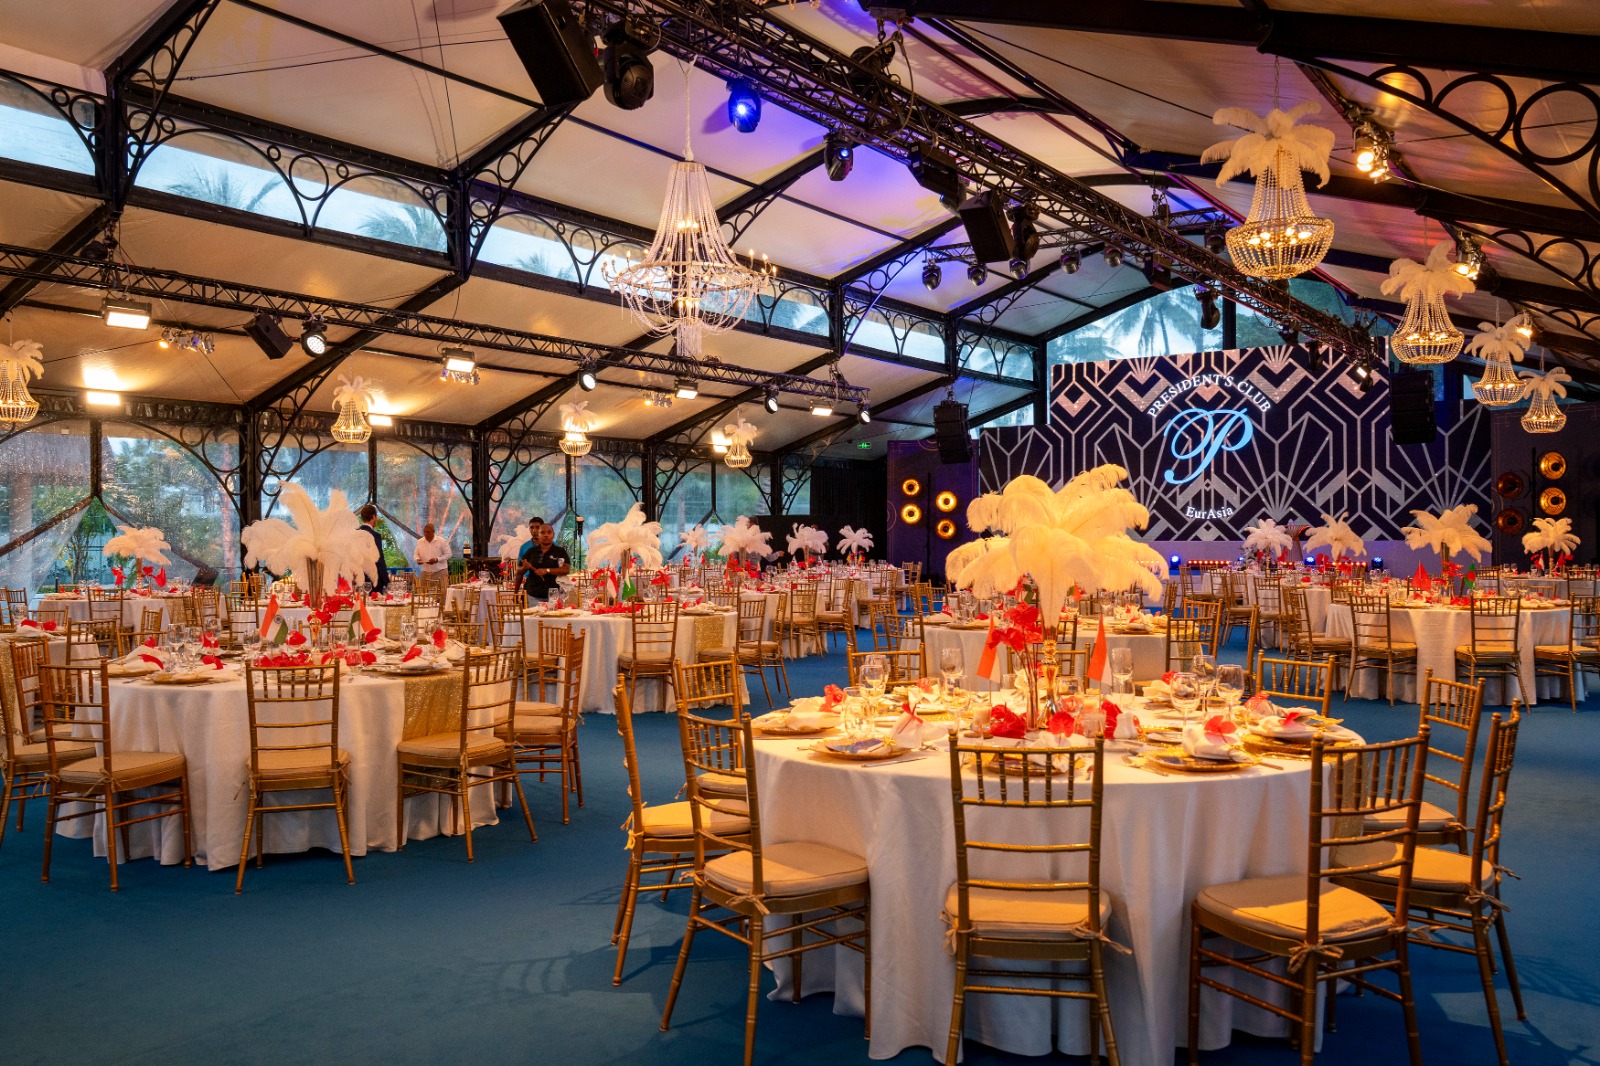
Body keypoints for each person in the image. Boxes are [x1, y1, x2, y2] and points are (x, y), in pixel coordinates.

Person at [521, 520, 570, 602]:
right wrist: (525, 567)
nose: (546, 535)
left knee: (554, 615)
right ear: (538, 535)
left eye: (549, 532)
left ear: (553, 535)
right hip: (532, 595)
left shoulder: (560, 551)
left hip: (554, 595)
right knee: (532, 615)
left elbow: (566, 569)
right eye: (542, 533)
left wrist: (547, 570)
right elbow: (520, 570)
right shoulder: (530, 551)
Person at [358, 504, 390, 593]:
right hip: (373, 581)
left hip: (357, 580)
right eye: (376, 516)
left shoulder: (354, 535)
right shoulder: (375, 536)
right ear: (373, 516)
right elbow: (379, 561)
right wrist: (387, 582)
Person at [414, 522, 449, 589]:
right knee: (423, 594)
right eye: (424, 532)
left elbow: (448, 554)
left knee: (442, 594)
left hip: (440, 571)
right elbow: (416, 554)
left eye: (428, 532)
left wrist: (437, 560)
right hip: (426, 571)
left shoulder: (441, 541)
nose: (426, 534)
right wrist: (417, 559)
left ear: (433, 531)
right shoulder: (420, 541)